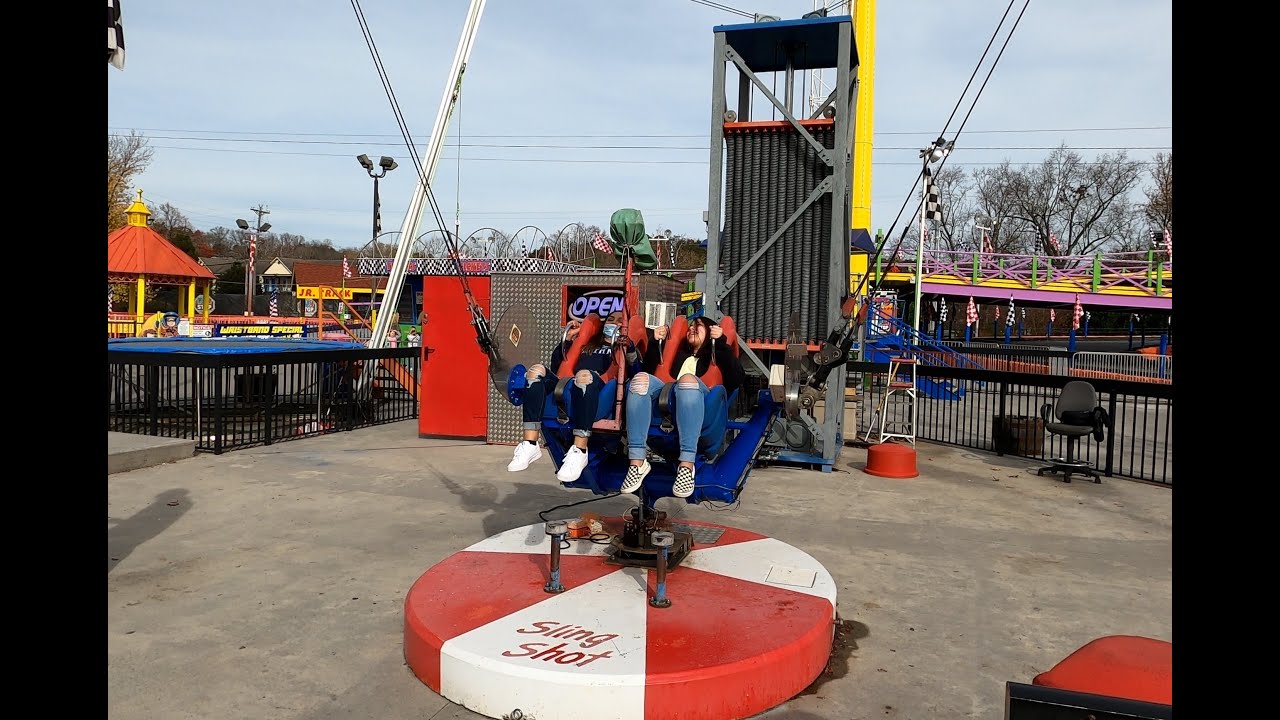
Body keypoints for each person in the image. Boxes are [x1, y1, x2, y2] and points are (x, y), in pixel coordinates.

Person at [508, 310, 641, 482]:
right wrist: (569, 340)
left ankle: (580, 449)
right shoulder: (588, 345)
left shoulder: (621, 349)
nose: (614, 323)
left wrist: (630, 349)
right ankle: (530, 443)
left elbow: (637, 372)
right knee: (535, 371)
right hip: (569, 386)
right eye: (610, 319)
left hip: (598, 390)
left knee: (584, 375)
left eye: (619, 321)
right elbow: (557, 366)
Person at [622, 316, 745, 498]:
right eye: (690, 327)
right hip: (668, 394)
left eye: (698, 326)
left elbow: (736, 379)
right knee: (640, 380)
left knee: (687, 381)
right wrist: (655, 343)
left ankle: (687, 465)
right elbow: (648, 370)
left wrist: (720, 343)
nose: (691, 329)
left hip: (701, 400)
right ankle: (637, 461)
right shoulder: (676, 355)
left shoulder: (716, 355)